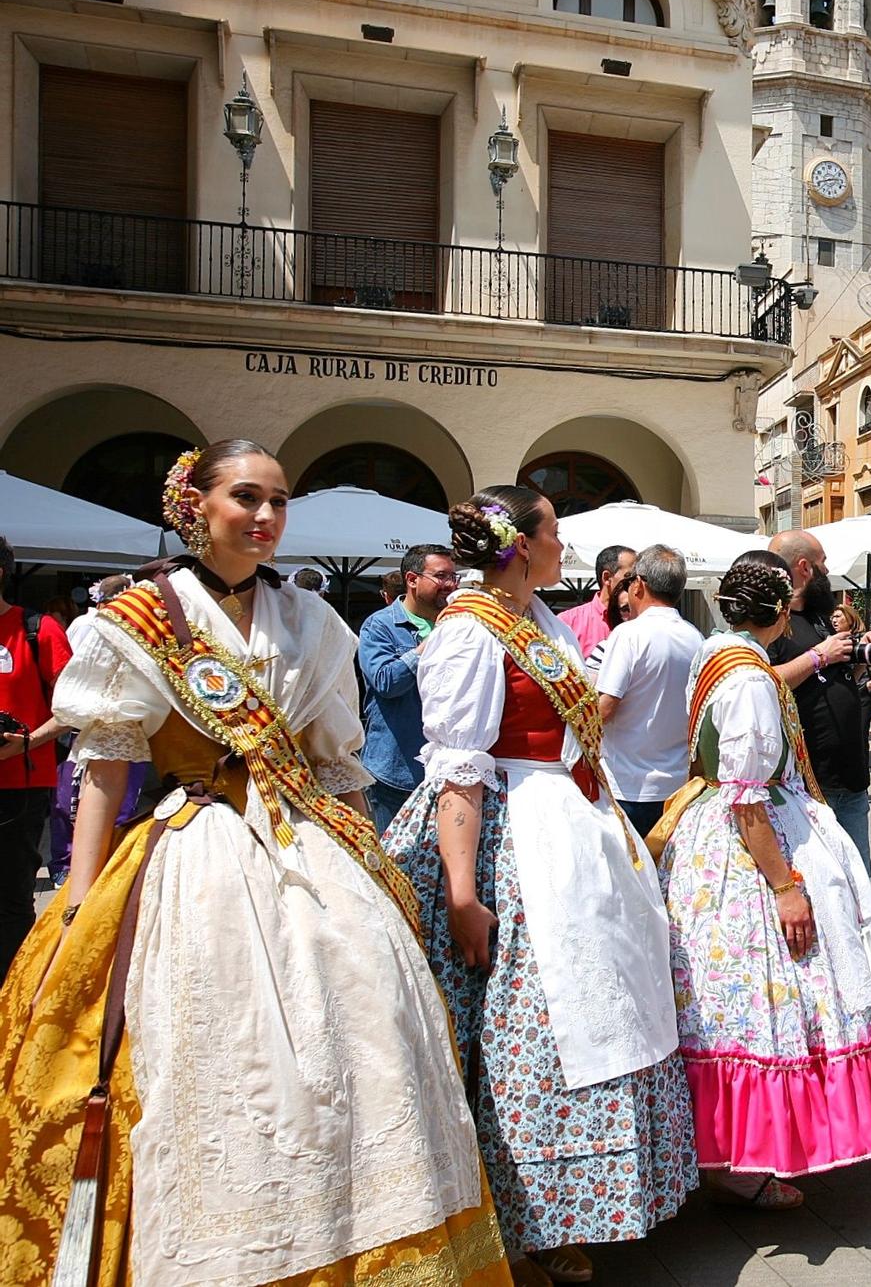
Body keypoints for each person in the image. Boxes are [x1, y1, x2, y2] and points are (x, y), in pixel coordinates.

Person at [0, 444, 505, 1285]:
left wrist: (365, 869)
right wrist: (81, 897)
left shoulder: (312, 619)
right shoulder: (139, 615)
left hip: (306, 849)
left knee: (361, 1029)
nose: (267, 515)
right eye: (246, 496)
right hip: (192, 845)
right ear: (195, 504)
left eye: (278, 500)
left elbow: (334, 764)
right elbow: (109, 762)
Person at [383, 486, 695, 1280]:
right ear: (520, 543)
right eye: (554, 530)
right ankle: (530, 1215)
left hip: (569, 816)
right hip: (508, 833)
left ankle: (583, 1200)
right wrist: (461, 892)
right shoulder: (468, 627)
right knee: (532, 1017)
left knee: (601, 996)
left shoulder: (538, 618)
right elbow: (460, 770)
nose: (564, 543)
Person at [656, 553, 871, 1208]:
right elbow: (747, 797)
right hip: (752, 840)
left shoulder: (717, 655)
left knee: (724, 997)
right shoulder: (750, 679)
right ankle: (743, 1154)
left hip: (713, 830)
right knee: (766, 997)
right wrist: (786, 886)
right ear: (783, 610)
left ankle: (731, 1144)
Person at [768, 529, 871, 867]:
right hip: (808, 784)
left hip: (850, 777)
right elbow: (763, 681)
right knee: (820, 889)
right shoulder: (773, 623)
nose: (828, 571)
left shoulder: (823, 616)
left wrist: (859, 660)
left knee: (859, 885)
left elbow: (836, 678)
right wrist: (819, 655)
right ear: (804, 567)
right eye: (823, 563)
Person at [0, 535, 74, 974]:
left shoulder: (39, 629)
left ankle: (11, 988)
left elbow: (74, 709)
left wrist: (25, 742)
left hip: (19, 787)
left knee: (10, 896)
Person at [594, 545, 703, 836]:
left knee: (629, 875)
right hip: (677, 784)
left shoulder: (629, 634)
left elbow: (604, 707)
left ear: (639, 585)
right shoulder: (695, 638)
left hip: (628, 784)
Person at [47, 575, 146, 890]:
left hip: (129, 732)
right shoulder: (88, 627)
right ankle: (66, 865)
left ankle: (99, 870)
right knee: (70, 802)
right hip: (83, 726)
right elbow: (73, 683)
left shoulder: (139, 631)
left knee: (119, 807)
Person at [356, 542, 456, 830]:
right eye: (441, 576)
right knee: (392, 867)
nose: (450, 585)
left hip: (447, 772)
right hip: (395, 774)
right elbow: (386, 681)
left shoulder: (459, 623)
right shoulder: (380, 626)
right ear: (412, 580)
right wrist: (426, 647)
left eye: (454, 577)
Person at [557, 542, 634, 661]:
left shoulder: (641, 618)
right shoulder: (567, 623)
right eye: (630, 576)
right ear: (607, 578)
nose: (637, 582)